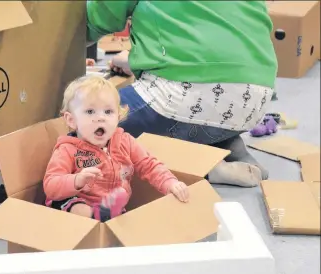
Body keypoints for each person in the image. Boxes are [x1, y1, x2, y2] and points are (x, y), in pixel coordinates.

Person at [86, 1, 278, 187]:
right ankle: (225, 143)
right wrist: (137, 59)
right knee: (195, 116)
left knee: (83, 125)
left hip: (186, 94)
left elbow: (96, 20)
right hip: (254, 98)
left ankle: (198, 167)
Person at [43, 75, 189, 222]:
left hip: (113, 208)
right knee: (77, 207)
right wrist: (77, 180)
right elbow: (51, 185)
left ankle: (105, 215)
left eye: (108, 112)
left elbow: (149, 165)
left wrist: (170, 183)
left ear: (118, 117)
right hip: (74, 202)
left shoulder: (125, 142)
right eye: (90, 112)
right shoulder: (67, 149)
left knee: (128, 220)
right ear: (71, 120)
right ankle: (95, 215)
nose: (101, 118)